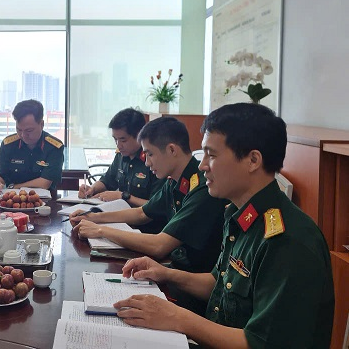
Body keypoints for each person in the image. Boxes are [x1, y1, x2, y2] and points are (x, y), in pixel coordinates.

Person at [113, 103, 334, 349]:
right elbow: (220, 283)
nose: (202, 165)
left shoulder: (288, 241)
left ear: (252, 160)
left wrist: (177, 317)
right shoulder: (238, 215)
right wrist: (165, 273)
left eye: (212, 155)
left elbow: (260, 342)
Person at [70, 117, 226, 293]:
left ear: (172, 150)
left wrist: (100, 230)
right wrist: (94, 217)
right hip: (175, 269)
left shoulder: (202, 188)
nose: (147, 163)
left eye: (150, 154)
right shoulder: (174, 180)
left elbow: (159, 246)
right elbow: (142, 213)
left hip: (193, 284)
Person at [78, 108, 163, 207]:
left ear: (139, 135)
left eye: (123, 140)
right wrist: (92, 189)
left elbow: (157, 206)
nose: (118, 145)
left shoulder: (153, 160)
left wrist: (123, 197)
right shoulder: (121, 156)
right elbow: (107, 181)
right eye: (115, 139)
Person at [0, 99, 64, 193]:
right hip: (11, 199)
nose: (23, 135)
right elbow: (0, 175)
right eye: (19, 130)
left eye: (29, 131)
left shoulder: (54, 147)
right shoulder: (8, 144)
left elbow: (44, 183)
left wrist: (14, 187)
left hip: (44, 200)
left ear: (41, 124)